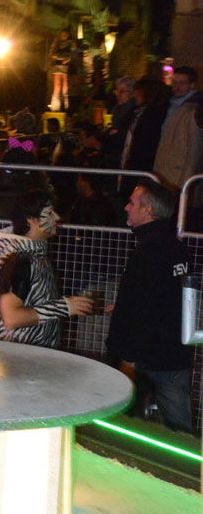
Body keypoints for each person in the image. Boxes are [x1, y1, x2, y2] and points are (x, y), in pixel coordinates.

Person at [105, 180, 196, 433]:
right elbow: (167, 296)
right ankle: (186, 470)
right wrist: (123, 305)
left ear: (149, 211)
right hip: (175, 355)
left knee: (128, 428)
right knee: (180, 429)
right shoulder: (177, 249)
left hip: (146, 358)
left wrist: (128, 359)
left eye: (132, 202)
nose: (126, 207)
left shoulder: (147, 252)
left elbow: (145, 307)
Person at [0, 190, 93, 348]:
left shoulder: (34, 254)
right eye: (49, 214)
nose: (57, 218)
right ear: (31, 219)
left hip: (34, 352)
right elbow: (11, 317)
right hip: (22, 356)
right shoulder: (20, 258)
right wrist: (65, 307)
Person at [153, 66, 203, 195]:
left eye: (182, 83)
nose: (177, 87)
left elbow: (194, 150)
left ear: (192, 85)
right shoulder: (170, 105)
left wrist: (185, 186)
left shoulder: (194, 110)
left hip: (177, 177)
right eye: (175, 82)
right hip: (166, 172)